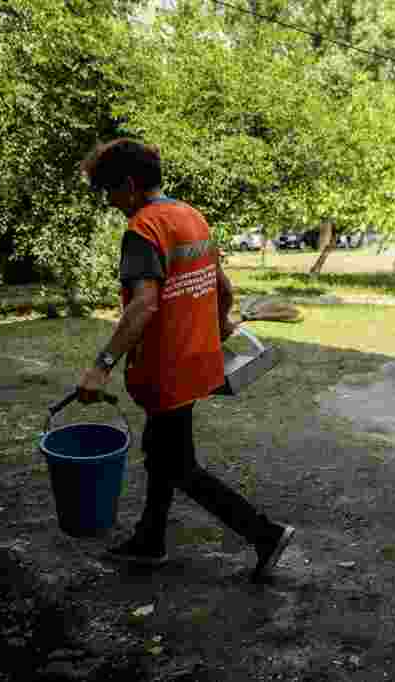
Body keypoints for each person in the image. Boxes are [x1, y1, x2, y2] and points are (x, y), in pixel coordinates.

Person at [76, 138, 294, 584]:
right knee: (163, 454)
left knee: (177, 466)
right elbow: (223, 287)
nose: (108, 202)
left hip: (164, 370)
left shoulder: (143, 229)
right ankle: (149, 539)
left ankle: (264, 534)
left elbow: (143, 306)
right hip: (196, 363)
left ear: (129, 185)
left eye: (108, 191)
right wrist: (219, 323)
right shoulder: (191, 216)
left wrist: (101, 366)